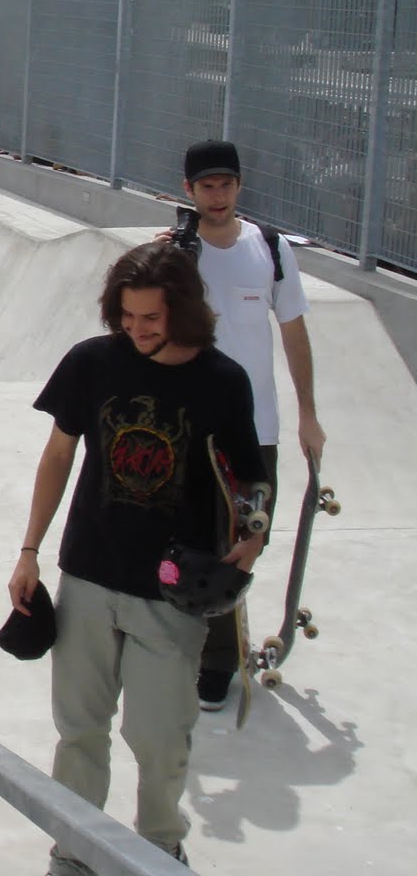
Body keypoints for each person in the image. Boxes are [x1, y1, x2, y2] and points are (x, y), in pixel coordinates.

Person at [7, 241, 271, 874]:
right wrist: (29, 551)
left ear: (183, 309)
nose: (138, 330)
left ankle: (158, 846)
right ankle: (74, 850)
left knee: (159, 737)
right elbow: (57, 457)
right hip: (89, 574)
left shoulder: (223, 381)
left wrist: (255, 532)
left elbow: (250, 479)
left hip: (172, 590)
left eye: (151, 318)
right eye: (126, 317)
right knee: (80, 729)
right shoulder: (92, 363)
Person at [177, 138, 325, 712]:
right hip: (192, 426)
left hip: (256, 428)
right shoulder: (177, 252)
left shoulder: (271, 248)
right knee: (193, 538)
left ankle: (218, 657)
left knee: (244, 540)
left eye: (227, 185)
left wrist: (308, 415)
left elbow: (293, 331)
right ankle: (200, 651)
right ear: (189, 190)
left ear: (239, 186)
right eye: (207, 186)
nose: (218, 196)